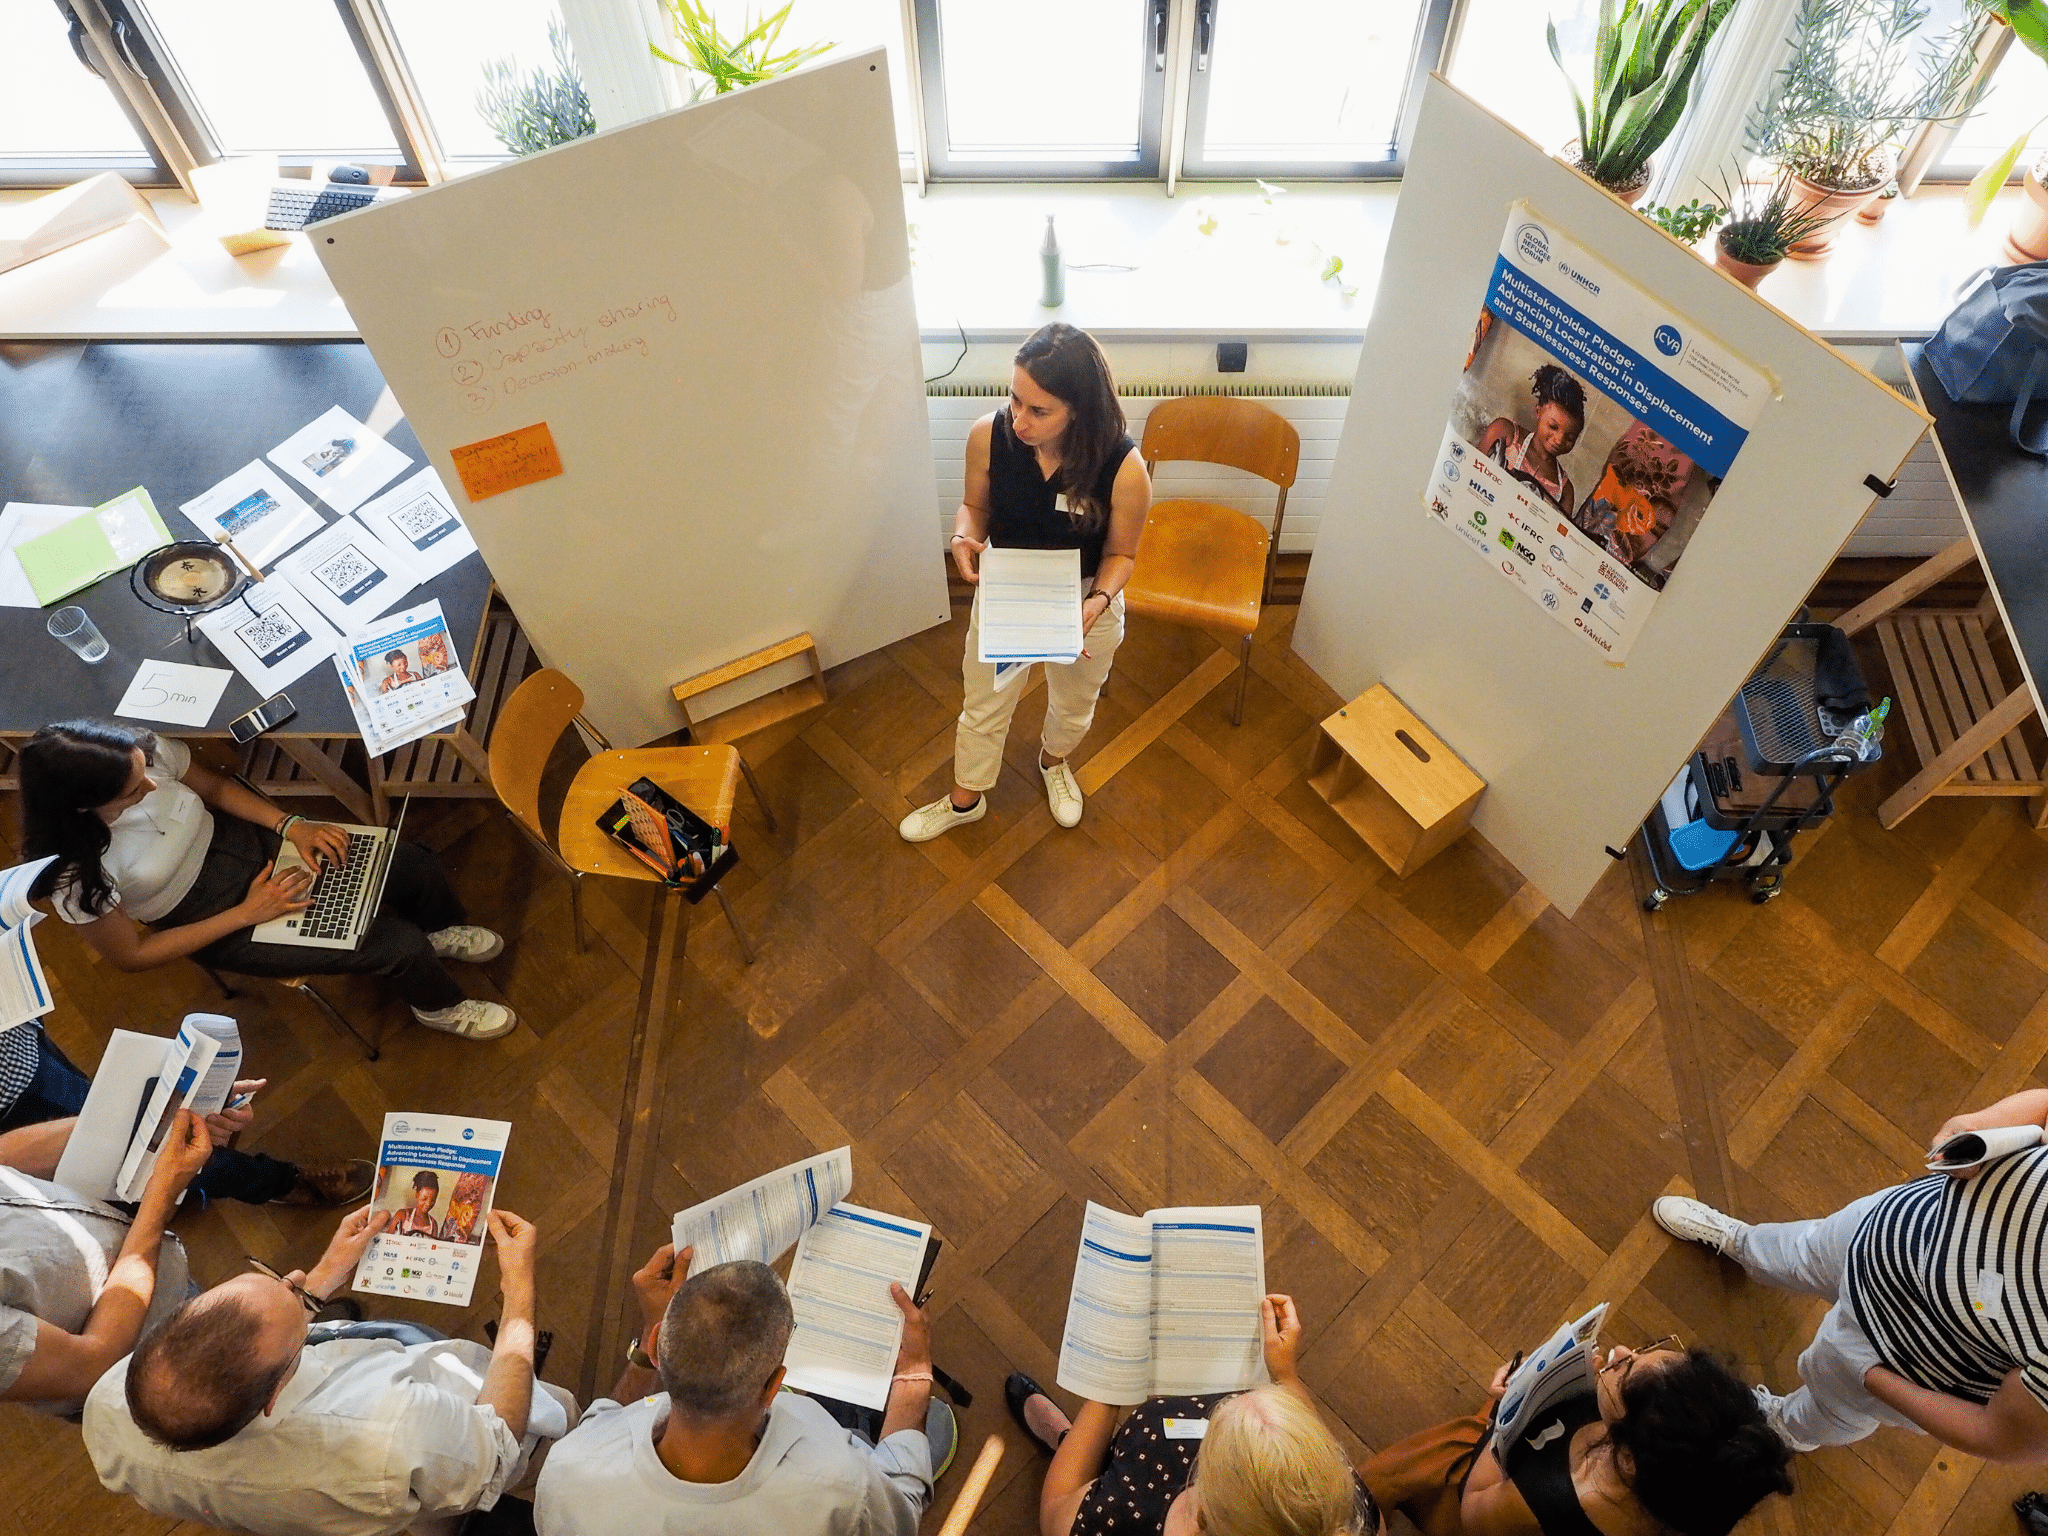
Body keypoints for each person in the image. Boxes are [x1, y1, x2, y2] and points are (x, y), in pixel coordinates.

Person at [84, 1205, 574, 1536]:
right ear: (275, 1395)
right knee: (550, 1444)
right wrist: (518, 1289)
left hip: (335, 1508)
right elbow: (498, 1445)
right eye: (293, 1294)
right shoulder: (392, 1430)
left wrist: (321, 1278)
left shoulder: (107, 1405)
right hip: (456, 1458)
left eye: (277, 1280)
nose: (297, 1278)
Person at [21, 720, 516, 1041]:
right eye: (135, 789)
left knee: (412, 863)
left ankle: (439, 934)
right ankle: (438, 1006)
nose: (151, 783)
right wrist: (248, 913)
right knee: (398, 946)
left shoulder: (139, 748)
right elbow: (132, 956)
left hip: (253, 845)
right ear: (84, 806)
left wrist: (290, 824)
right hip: (215, 920)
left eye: (145, 772)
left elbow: (214, 787)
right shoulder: (73, 876)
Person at [1655, 1086, 2048, 1460]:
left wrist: (1872, 1378)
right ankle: (1739, 1243)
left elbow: (1994, 1434)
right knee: (1801, 1249)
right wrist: (1979, 1124)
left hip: (1903, 1357)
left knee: (1832, 1409)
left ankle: (1784, 1427)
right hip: (1886, 1229)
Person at [899, 323, 1151, 843]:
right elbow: (975, 508)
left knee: (1076, 701)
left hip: (1085, 598)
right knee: (984, 703)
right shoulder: (986, 436)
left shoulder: (1124, 468)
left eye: (1039, 411)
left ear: (1078, 410)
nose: (1019, 420)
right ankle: (965, 798)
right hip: (1009, 591)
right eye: (1015, 400)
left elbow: (1122, 553)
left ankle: (1053, 762)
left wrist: (1099, 601)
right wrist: (964, 535)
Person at [535, 1243, 946, 1536]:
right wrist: (913, 1372)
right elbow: (902, 1510)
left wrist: (647, 1336)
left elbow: (604, 1422)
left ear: (659, 1347)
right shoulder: (841, 1487)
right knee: (888, 1446)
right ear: (774, 1388)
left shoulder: (567, 1468)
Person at [1008, 1294, 1379, 1536]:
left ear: (1203, 1516)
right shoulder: (1345, 1513)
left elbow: (1055, 1514)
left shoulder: (1111, 1518)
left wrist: (1112, 1385)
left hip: (1131, 1473)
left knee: (1074, 1473)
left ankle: (1067, 1442)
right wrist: (1286, 1376)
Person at [1362, 1336, 1791, 1536]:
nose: (1622, 1352)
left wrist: (1513, 1404)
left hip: (1482, 1494)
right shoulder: (1690, 1482)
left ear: (1626, 1458)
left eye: (1624, 1372)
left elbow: (1475, 1509)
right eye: (1645, 1350)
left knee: (1372, 1487)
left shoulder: (1547, 1498)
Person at [0, 1107, 209, 1417]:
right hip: (146, 1365)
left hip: (151, 1270)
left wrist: (148, 1118)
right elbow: (92, 1363)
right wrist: (162, 1193)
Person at [0, 1040, 371, 1209]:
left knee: (137, 1146)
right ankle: (282, 1182)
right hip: (10, 1119)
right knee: (170, 1149)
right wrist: (144, 1116)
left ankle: (161, 1189)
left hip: (21, 1046)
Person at [1475, 365, 1586, 516]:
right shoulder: (1504, 433)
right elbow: (1469, 468)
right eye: (1553, 426)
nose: (1559, 439)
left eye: (1570, 438)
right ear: (1538, 412)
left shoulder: (1564, 491)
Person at [392, 1168, 444, 1237]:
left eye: (433, 1200)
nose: (428, 1203)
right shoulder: (402, 1215)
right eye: (424, 1199)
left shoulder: (433, 1225)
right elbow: (387, 1238)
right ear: (416, 1195)